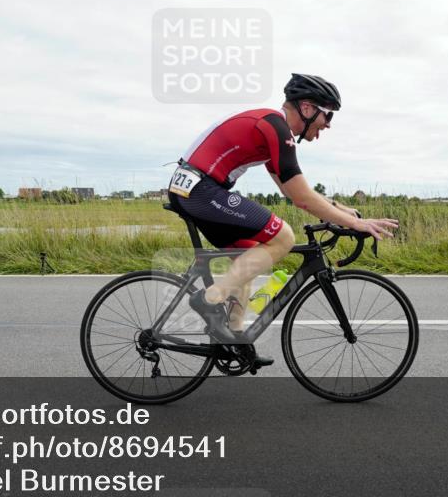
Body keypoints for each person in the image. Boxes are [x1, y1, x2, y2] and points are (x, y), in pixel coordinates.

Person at [167, 73, 399, 366]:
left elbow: (291, 190)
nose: (327, 124)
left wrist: (339, 208)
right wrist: (355, 224)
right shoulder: (276, 127)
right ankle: (208, 300)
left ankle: (234, 341)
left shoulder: (273, 130)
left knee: (252, 255)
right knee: (283, 237)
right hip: (200, 190)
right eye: (327, 115)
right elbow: (301, 197)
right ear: (306, 108)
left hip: (194, 189)